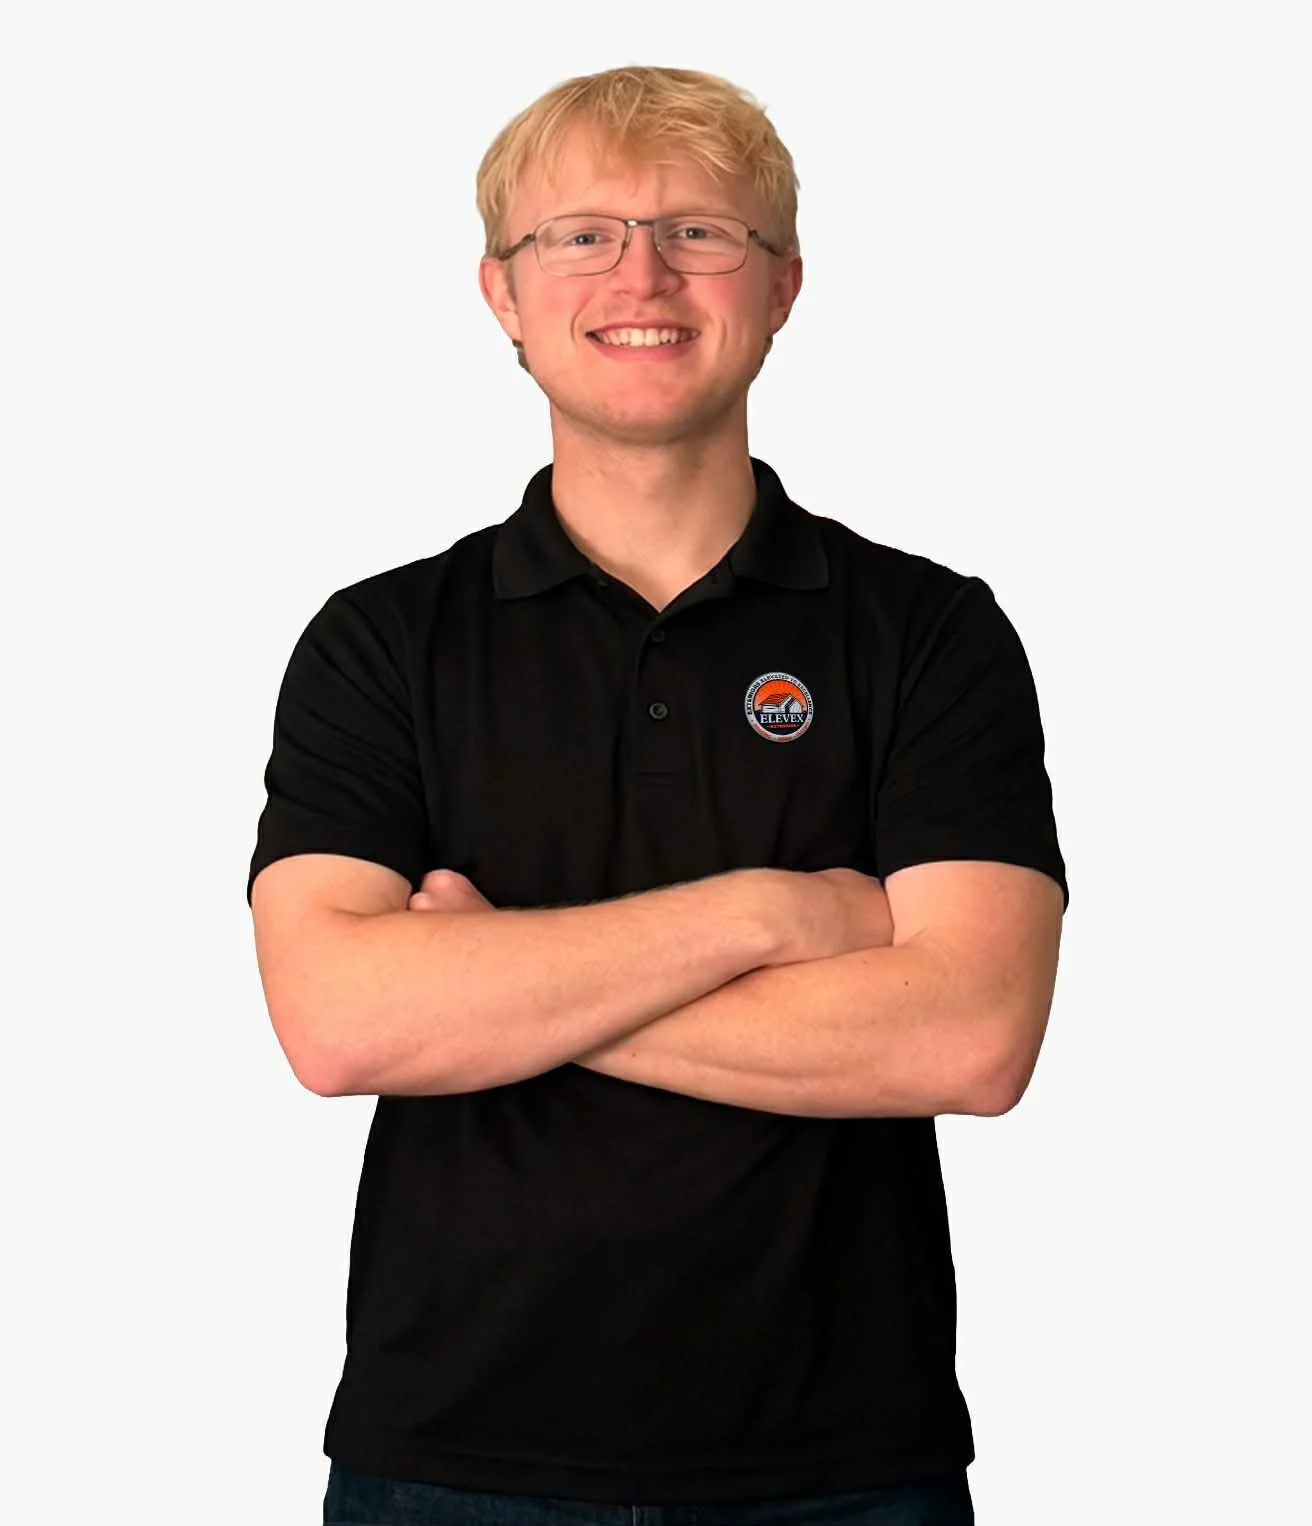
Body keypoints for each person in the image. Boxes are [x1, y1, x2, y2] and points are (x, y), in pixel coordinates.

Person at [247, 64, 1067, 1526]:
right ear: (501, 292)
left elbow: (971, 1035)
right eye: (579, 235)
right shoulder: (380, 642)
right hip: (449, 1463)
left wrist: (493, 979)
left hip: (842, 1469)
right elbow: (340, 1019)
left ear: (783, 285)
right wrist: (774, 911)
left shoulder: (929, 633)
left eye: (702, 231)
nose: (641, 273)